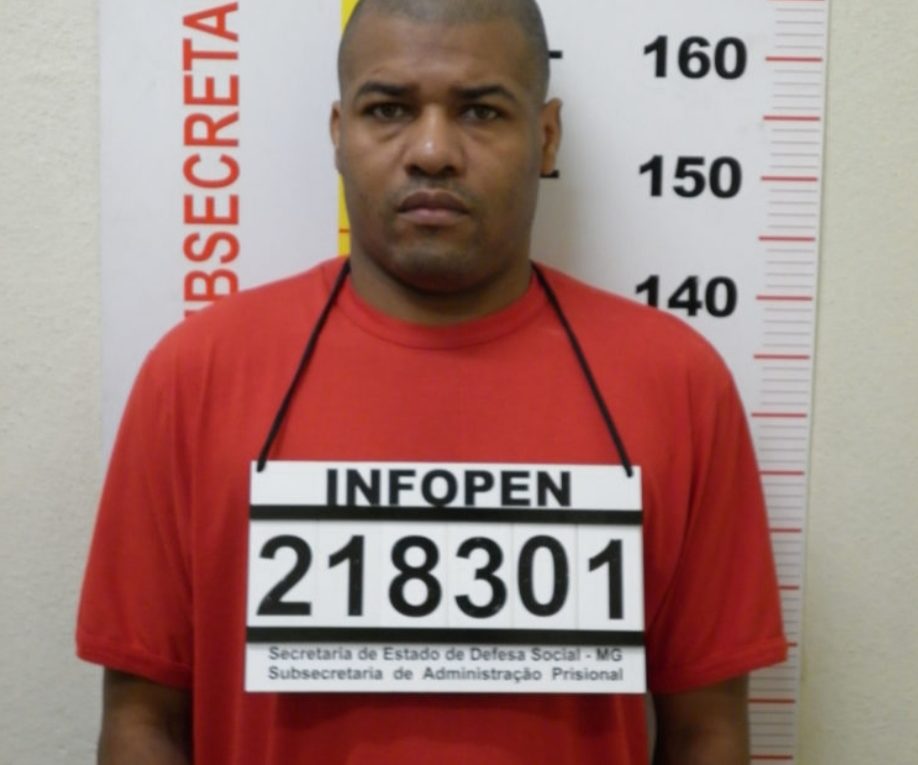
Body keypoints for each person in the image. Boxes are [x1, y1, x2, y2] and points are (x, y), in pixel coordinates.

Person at [77, 0, 787, 762]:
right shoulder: (196, 379)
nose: (432, 151)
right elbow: (144, 719)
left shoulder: (677, 387)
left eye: (481, 111)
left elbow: (707, 728)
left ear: (546, 136)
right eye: (388, 109)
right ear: (338, 134)